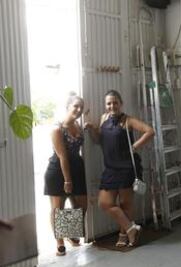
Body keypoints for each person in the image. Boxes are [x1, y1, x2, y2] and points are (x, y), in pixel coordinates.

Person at [85, 90, 154, 247]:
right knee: (104, 203)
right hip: (110, 168)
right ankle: (131, 229)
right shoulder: (103, 118)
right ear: (105, 105)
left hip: (126, 167)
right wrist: (91, 129)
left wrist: (135, 146)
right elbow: (98, 141)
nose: (112, 106)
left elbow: (149, 131)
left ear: (121, 104)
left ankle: (123, 233)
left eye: (115, 102)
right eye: (109, 103)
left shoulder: (127, 120)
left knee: (125, 204)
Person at [44, 94, 88, 256]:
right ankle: (60, 242)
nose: (78, 109)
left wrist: (89, 123)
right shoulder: (57, 129)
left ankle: (69, 232)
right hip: (58, 172)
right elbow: (63, 156)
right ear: (68, 106)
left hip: (76, 169)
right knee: (58, 209)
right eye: (76, 106)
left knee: (82, 205)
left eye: (81, 107)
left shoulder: (77, 124)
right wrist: (67, 180)